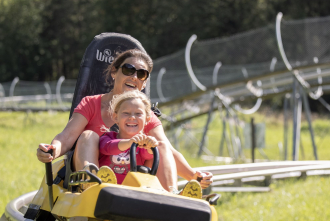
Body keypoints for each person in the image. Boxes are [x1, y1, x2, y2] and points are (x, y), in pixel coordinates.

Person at [36, 49, 212, 192]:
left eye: (141, 74)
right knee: (89, 135)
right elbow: (67, 137)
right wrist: (52, 149)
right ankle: (93, 186)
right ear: (114, 72)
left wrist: (193, 176)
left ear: (143, 84)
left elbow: (168, 150)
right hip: (92, 168)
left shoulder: (144, 114)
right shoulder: (91, 104)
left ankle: (170, 194)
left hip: (133, 178)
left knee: (158, 144)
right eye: (129, 70)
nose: (134, 77)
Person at [97, 90, 202, 198]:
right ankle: (104, 183)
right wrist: (129, 142)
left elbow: (149, 156)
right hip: (108, 187)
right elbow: (108, 148)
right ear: (115, 117)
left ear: (147, 119)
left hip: (132, 190)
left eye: (138, 114)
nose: (132, 117)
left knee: (160, 147)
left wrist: (150, 146)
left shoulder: (142, 144)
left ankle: (172, 193)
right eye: (126, 113)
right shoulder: (108, 137)